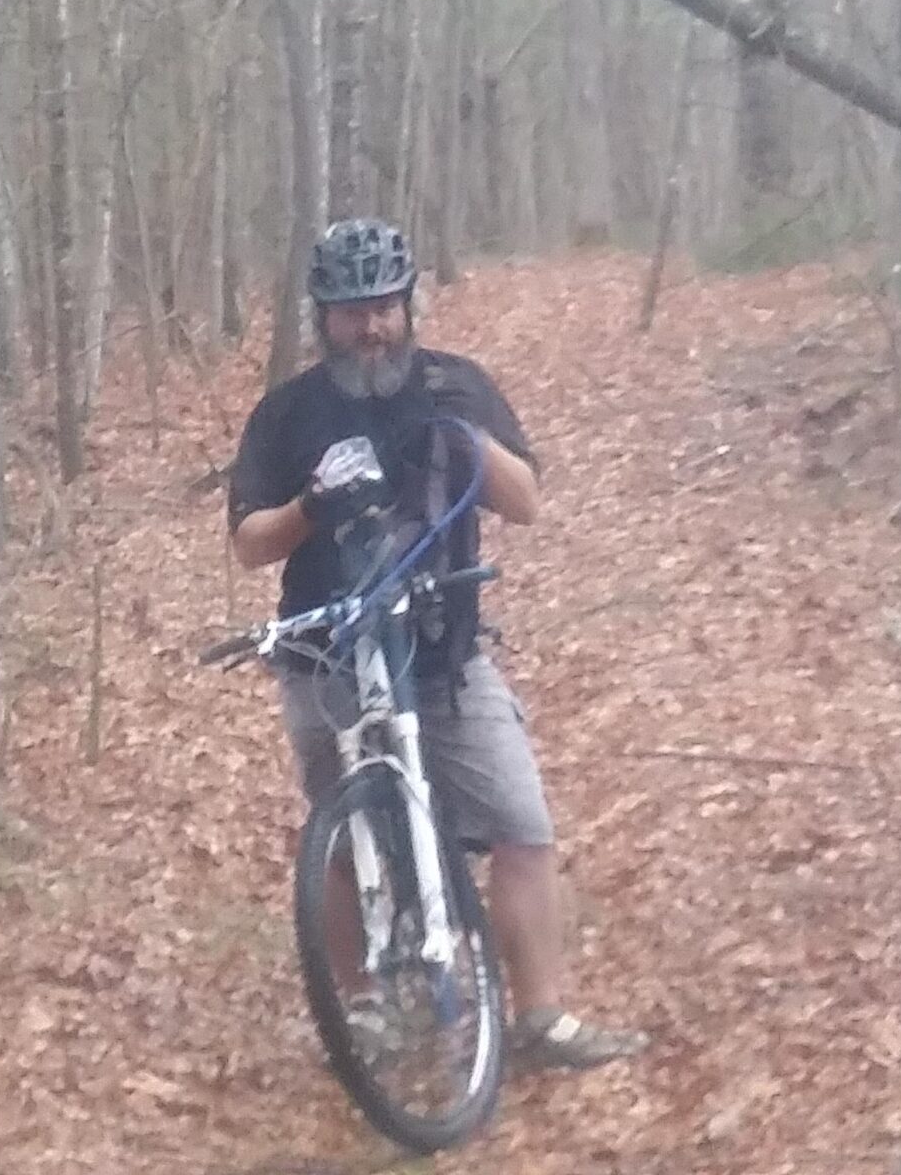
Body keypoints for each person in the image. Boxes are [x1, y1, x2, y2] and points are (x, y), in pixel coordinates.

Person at [226, 218, 648, 1072]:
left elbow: (525, 502)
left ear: (408, 303)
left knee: (523, 829)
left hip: (446, 646)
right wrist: (314, 503)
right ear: (323, 318)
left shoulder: (458, 383)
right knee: (342, 843)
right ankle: (367, 1005)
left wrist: (469, 437)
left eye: (383, 306)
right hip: (328, 656)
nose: (371, 326)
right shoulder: (288, 412)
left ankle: (542, 1019)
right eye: (351, 312)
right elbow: (248, 541)